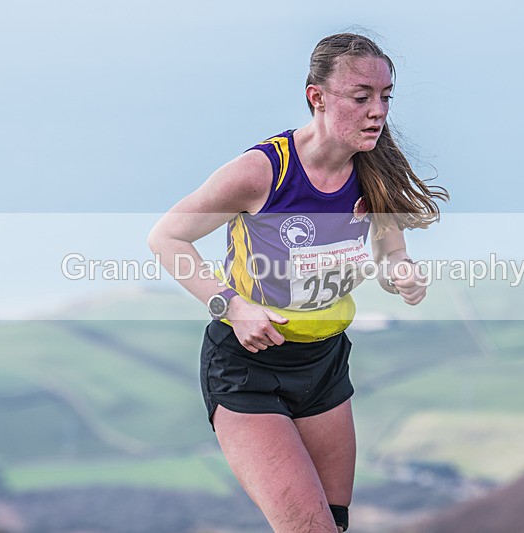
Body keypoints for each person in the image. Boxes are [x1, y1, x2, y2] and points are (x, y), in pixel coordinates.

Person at [148, 32, 448, 533]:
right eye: (361, 98)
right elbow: (166, 239)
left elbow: (391, 247)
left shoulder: (373, 169)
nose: (378, 111)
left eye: (385, 96)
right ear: (317, 97)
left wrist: (401, 272)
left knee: (333, 524)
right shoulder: (260, 172)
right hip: (249, 368)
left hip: (325, 364)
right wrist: (232, 305)